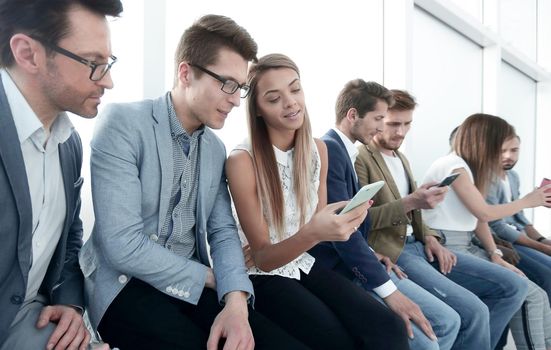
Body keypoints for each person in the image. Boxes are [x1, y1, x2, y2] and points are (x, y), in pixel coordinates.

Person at [81, 15, 305, 350]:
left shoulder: (215, 150)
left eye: (240, 88)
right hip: (126, 286)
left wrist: (236, 300)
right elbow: (122, 245)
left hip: (196, 285)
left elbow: (222, 232)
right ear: (186, 73)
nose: (234, 99)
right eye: (227, 84)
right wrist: (208, 278)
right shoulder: (123, 124)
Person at [227, 54, 409, 349]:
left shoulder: (318, 151)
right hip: (262, 275)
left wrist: (345, 222)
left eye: (295, 89)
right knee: (339, 340)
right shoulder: (242, 160)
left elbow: (317, 226)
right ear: (257, 109)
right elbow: (264, 259)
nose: (291, 103)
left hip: (302, 262)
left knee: (389, 327)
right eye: (274, 98)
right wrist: (315, 232)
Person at [354, 89, 528, 350]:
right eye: (393, 124)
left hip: (422, 246)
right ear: (377, 120)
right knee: (470, 313)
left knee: (509, 289)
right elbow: (361, 220)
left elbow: (415, 214)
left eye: (407, 124)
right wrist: (414, 201)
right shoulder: (361, 157)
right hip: (396, 252)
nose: (400, 132)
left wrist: (432, 237)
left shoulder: (401, 158)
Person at [0, 1, 122, 349]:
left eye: (108, 62)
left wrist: (69, 301)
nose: (109, 81)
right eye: (93, 64)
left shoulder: (69, 145)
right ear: (28, 54)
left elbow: (71, 235)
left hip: (29, 317)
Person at [313, 80, 460, 350]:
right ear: (353, 115)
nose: (383, 127)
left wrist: (370, 250)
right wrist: (389, 291)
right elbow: (339, 230)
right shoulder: (331, 150)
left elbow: (352, 223)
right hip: (339, 269)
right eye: (379, 118)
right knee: (435, 333)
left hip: (364, 257)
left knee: (447, 322)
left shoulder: (342, 150)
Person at [423, 113, 551, 350]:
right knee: (527, 293)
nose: (503, 154)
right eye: (499, 145)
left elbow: (477, 219)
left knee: (536, 295)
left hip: (466, 244)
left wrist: (495, 254)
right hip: (447, 245)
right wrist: (528, 201)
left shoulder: (465, 169)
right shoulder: (453, 166)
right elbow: (484, 214)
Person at [487, 134, 551, 301]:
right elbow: (496, 225)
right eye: (503, 151)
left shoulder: (513, 176)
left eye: (514, 150)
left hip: (518, 235)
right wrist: (541, 247)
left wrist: (542, 239)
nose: (509, 156)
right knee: (547, 273)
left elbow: (519, 215)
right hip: (505, 240)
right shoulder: (486, 179)